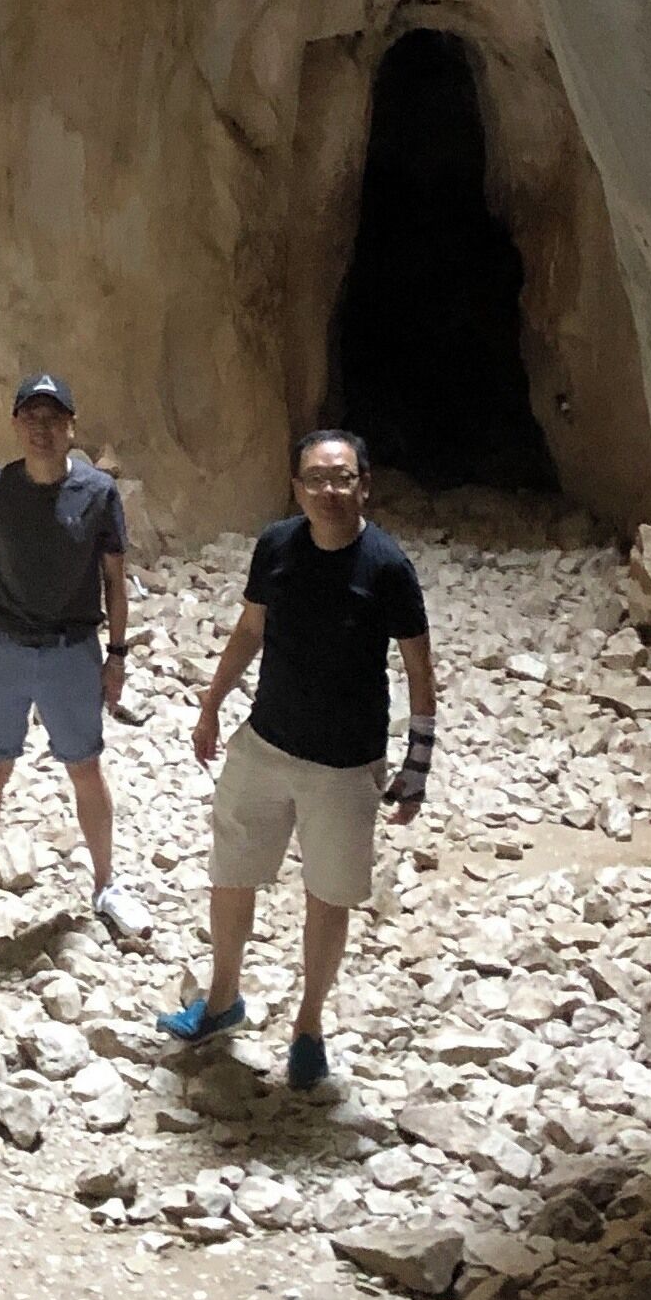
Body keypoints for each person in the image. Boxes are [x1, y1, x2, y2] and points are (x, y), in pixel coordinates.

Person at [166, 428, 435, 1090]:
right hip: (266, 743)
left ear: (364, 485)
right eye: (316, 478)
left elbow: (418, 668)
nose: (328, 490)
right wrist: (211, 703)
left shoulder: (387, 567)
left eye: (341, 477)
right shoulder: (277, 546)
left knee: (328, 895)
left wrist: (417, 764)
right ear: (298, 488)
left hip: (345, 766)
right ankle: (222, 999)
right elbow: (251, 628)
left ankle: (308, 1026)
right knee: (232, 872)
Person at [0, 375, 147, 939]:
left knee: (84, 766)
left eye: (53, 418)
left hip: (72, 650)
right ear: (17, 425)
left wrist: (116, 655)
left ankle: (106, 885)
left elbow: (115, 579)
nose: (42, 429)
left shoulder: (98, 493)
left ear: (71, 426)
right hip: (6, 645)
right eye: (32, 418)